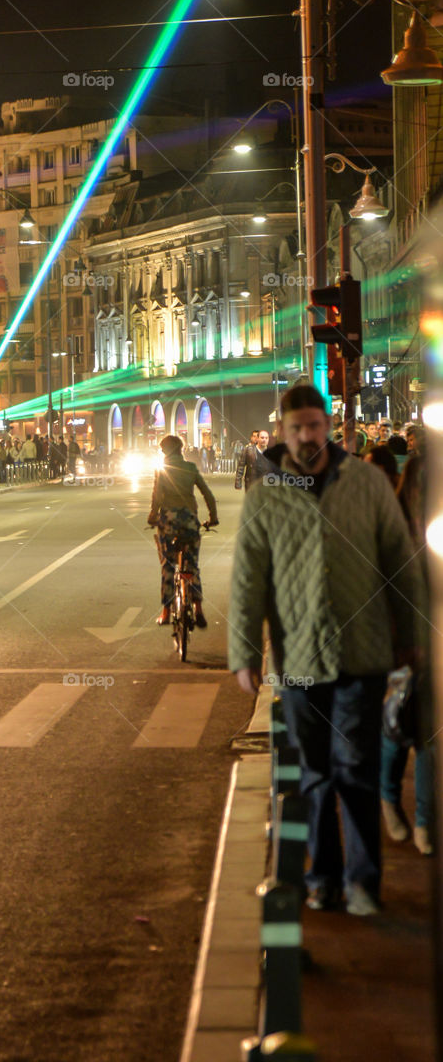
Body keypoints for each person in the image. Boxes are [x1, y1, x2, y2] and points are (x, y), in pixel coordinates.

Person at [228, 384, 424, 916]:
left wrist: (412, 638)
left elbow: (399, 561)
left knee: (355, 765)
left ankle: (363, 883)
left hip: (362, 655)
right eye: (297, 428)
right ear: (283, 431)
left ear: (329, 424)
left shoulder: (365, 482)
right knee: (314, 772)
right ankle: (323, 879)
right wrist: (246, 652)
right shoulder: (267, 495)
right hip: (297, 657)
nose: (308, 436)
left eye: (315, 425)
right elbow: (249, 578)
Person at [380, 448, 434, 856]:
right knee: (398, 727)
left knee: (430, 735)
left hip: (435, 643)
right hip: (401, 644)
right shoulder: (393, 529)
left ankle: (425, 821)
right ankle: (388, 800)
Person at [148, 433, 218, 629]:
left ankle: (166, 612)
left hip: (168, 521)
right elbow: (208, 494)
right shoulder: (191, 468)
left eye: (162, 450)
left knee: (168, 565)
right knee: (192, 565)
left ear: (166, 451)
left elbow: (157, 496)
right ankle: (198, 609)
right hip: (190, 520)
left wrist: (153, 515)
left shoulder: (162, 470)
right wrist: (213, 518)